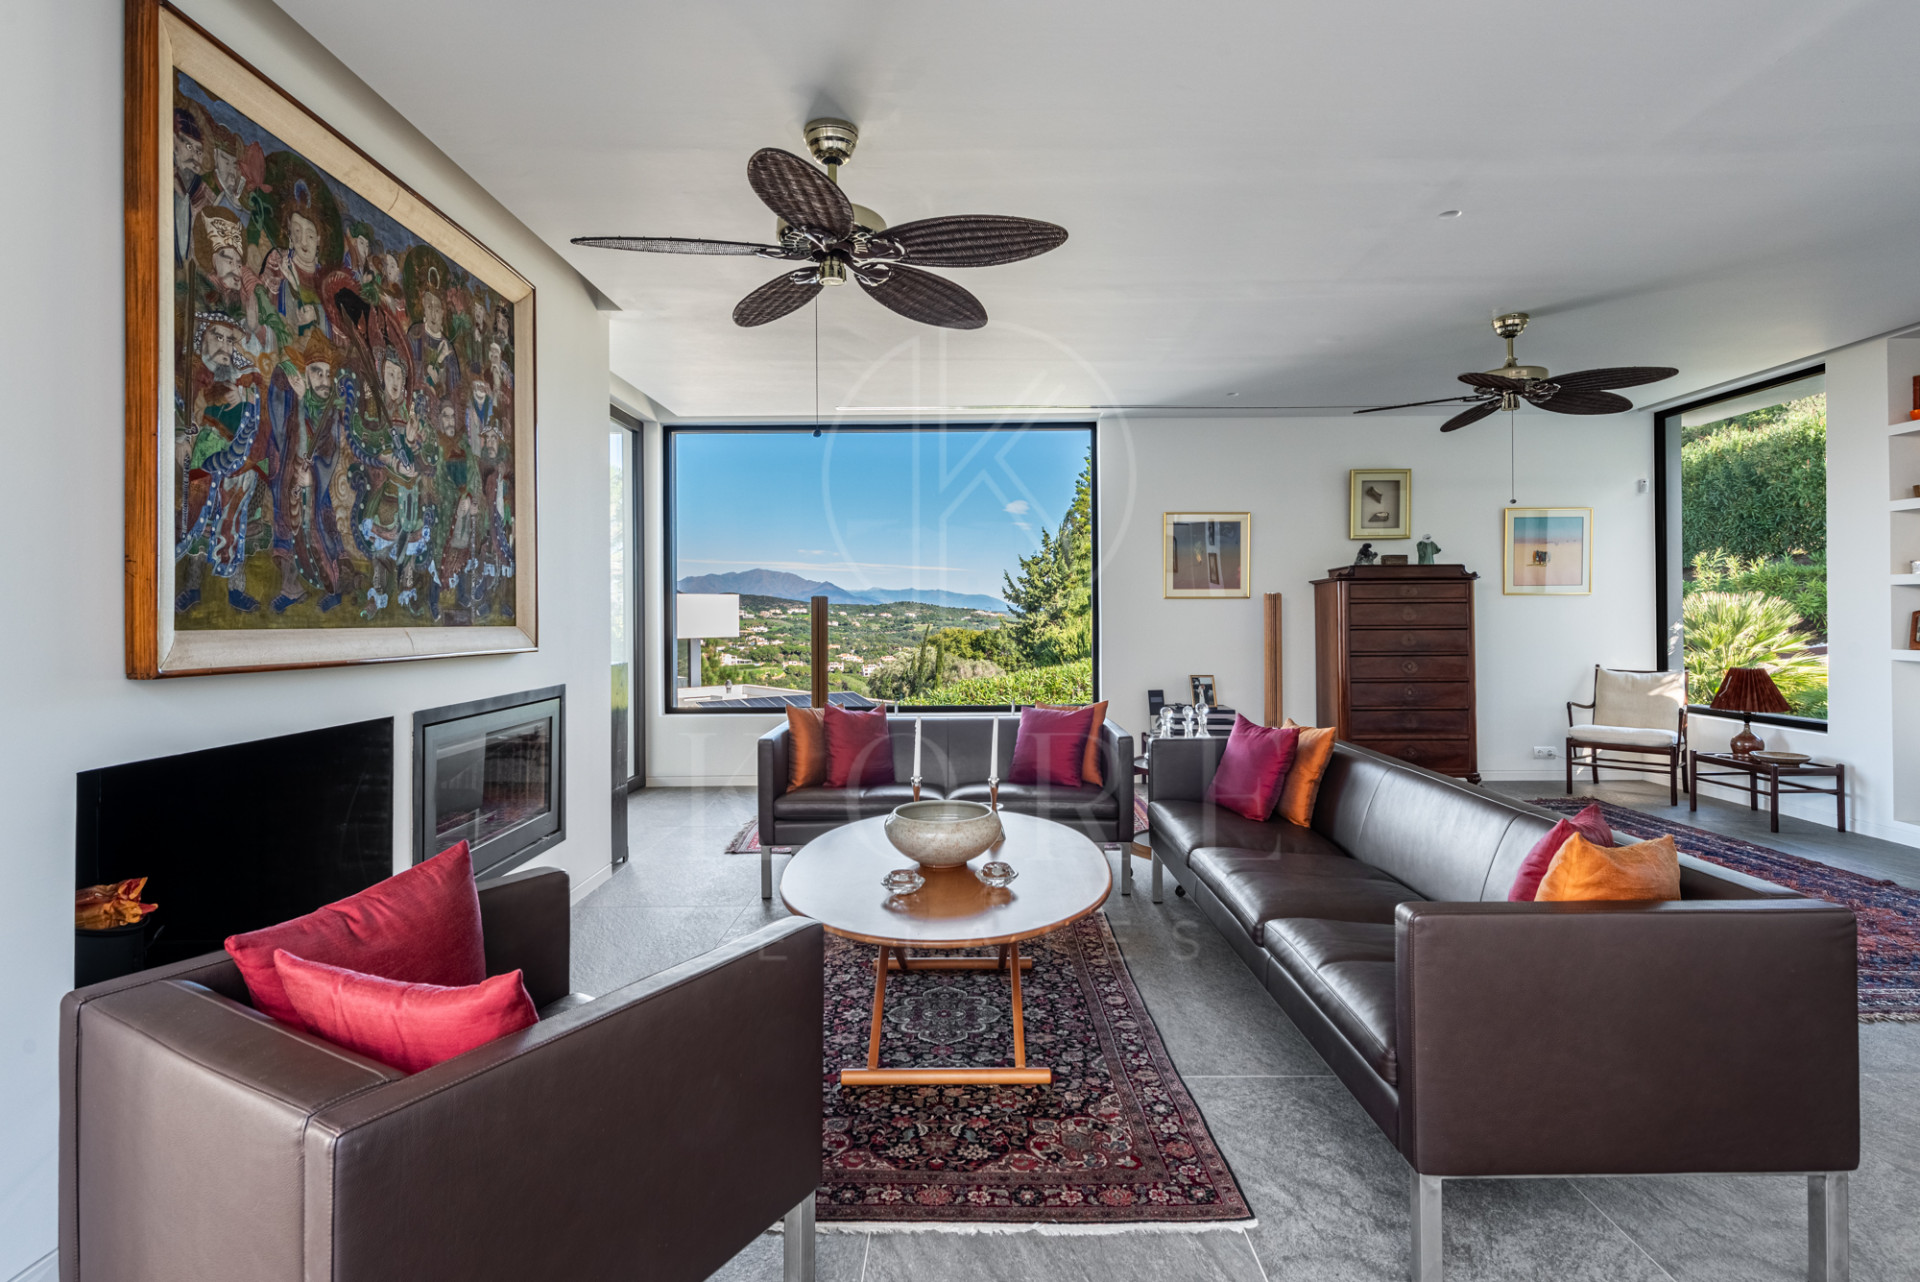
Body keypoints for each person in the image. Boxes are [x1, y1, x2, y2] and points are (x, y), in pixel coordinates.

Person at [176, 312, 267, 613]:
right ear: (202, 336)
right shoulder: (191, 375)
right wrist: (185, 438)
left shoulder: (244, 380)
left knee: (234, 524)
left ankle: (236, 588)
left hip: (237, 467)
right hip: (202, 463)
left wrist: (246, 398)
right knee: (198, 521)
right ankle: (191, 587)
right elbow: (186, 416)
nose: (225, 347)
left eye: (230, 340)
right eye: (218, 336)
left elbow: (259, 410)